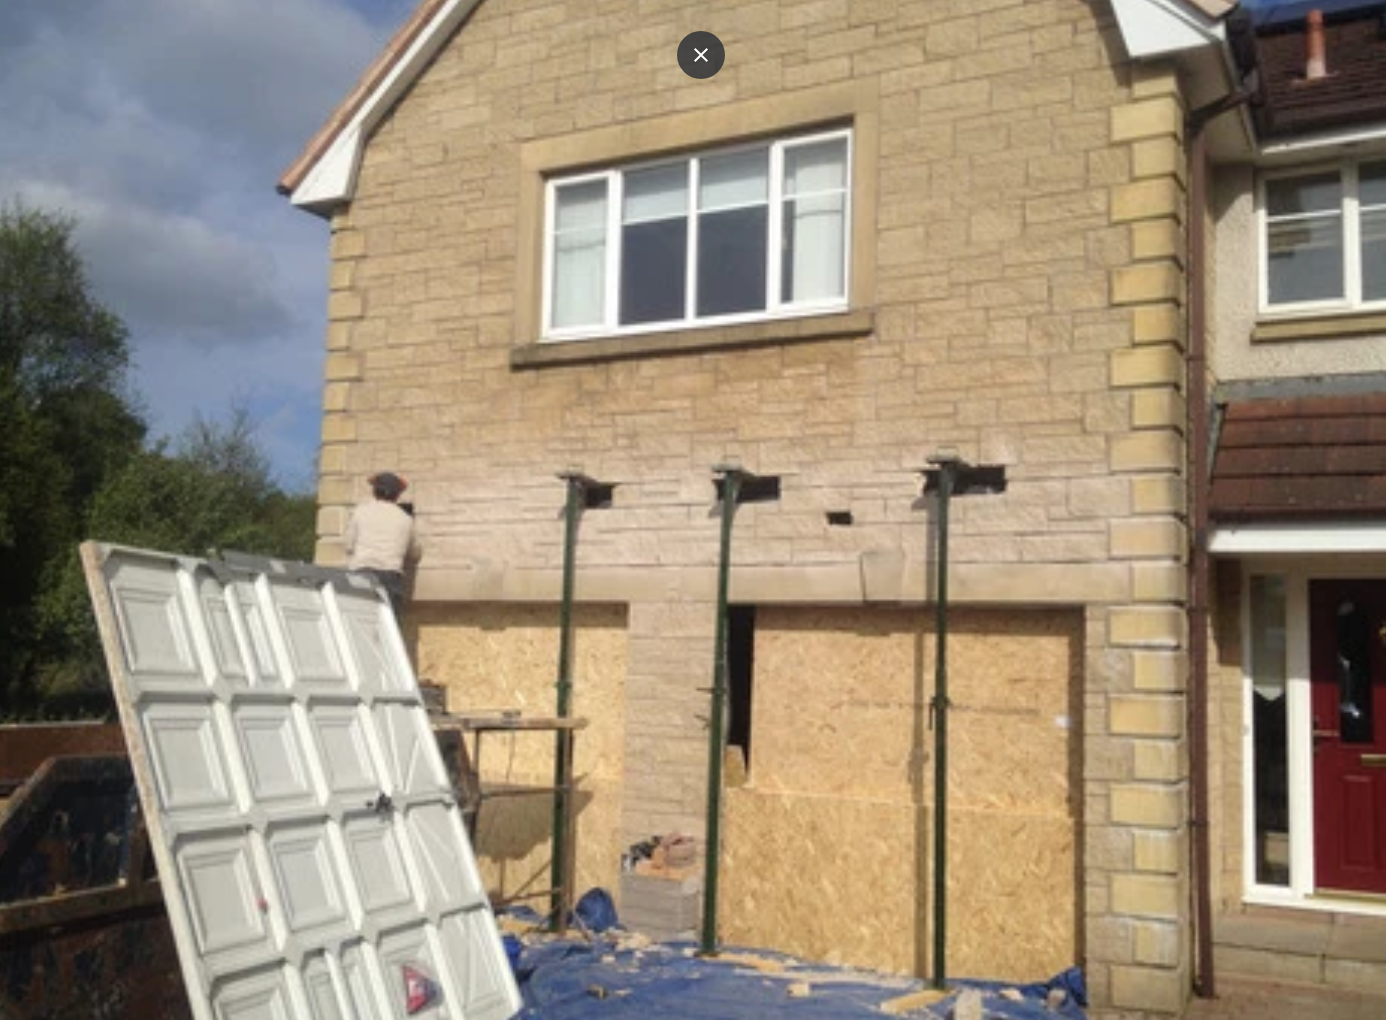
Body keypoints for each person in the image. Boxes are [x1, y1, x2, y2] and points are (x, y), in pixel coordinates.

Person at [345, 471, 421, 620]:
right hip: (390, 576)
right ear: (397, 495)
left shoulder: (360, 512)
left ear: (375, 491)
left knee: (360, 622)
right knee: (388, 626)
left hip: (361, 572)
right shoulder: (406, 519)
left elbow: (348, 545)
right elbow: (415, 552)